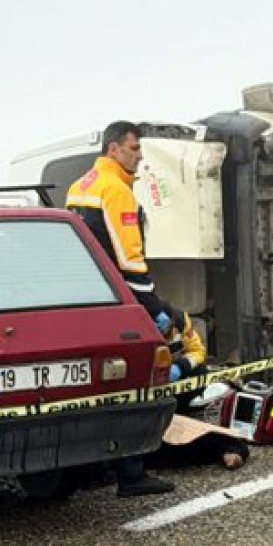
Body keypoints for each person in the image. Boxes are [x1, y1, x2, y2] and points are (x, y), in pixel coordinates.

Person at [67, 120, 174, 497]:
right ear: (114, 149)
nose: (139, 155)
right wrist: (155, 309)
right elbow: (131, 262)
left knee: (87, 389)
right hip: (118, 307)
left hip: (81, 303)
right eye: (134, 148)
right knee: (133, 387)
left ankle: (90, 470)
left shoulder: (79, 187)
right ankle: (131, 474)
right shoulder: (117, 192)